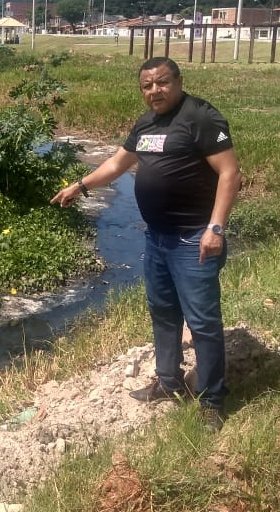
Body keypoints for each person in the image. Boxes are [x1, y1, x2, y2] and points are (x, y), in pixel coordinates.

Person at [51, 57, 241, 432]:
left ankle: (212, 399)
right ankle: (169, 383)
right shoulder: (146, 123)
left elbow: (230, 173)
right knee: (163, 312)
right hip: (156, 238)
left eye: (162, 82)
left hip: (194, 240)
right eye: (147, 85)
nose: (155, 90)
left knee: (202, 323)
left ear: (178, 81)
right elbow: (118, 164)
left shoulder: (200, 117)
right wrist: (81, 185)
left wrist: (215, 228)